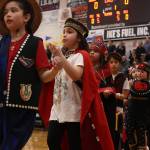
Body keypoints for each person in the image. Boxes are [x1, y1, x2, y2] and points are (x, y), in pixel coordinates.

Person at [47, 18, 114, 150]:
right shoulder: (64, 57)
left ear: (78, 38)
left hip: (74, 110)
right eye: (64, 31)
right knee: (52, 141)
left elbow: (76, 75)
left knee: (75, 146)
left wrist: (61, 58)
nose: (65, 34)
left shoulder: (81, 55)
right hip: (57, 109)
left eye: (69, 32)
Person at [0, 0, 59, 149]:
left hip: (22, 108)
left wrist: (55, 70)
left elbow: (44, 76)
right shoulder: (2, 43)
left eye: (13, 10)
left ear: (26, 17)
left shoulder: (35, 43)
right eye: (5, 12)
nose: (8, 14)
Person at [99, 52, 129, 150]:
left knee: (117, 136)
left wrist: (114, 94)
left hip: (119, 112)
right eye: (111, 62)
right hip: (107, 111)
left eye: (116, 62)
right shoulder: (105, 79)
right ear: (108, 64)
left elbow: (125, 97)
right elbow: (100, 94)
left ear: (120, 63)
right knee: (108, 136)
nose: (113, 64)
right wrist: (104, 94)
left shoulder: (124, 78)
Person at [126, 63, 150, 150]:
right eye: (139, 71)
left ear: (148, 74)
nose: (140, 73)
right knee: (129, 131)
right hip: (132, 113)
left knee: (141, 134)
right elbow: (127, 96)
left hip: (143, 115)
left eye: (143, 72)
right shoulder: (132, 83)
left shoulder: (149, 85)